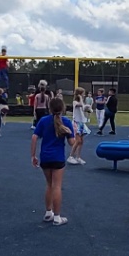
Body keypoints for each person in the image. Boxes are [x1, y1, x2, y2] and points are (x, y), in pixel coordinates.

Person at [32, 95, 82, 225]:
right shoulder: (66, 122)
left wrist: (33, 155)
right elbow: (72, 143)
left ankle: (49, 212)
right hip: (58, 158)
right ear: (63, 108)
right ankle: (57, 217)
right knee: (57, 186)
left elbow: (34, 137)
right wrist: (75, 133)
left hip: (45, 157)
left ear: (49, 108)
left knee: (49, 185)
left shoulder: (43, 120)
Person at [69, 93, 92, 166]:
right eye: (82, 94)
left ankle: (78, 157)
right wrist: (80, 98)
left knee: (81, 141)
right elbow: (81, 106)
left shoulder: (82, 103)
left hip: (81, 123)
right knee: (78, 140)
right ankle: (71, 156)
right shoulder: (75, 102)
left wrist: (88, 109)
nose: (84, 95)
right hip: (76, 123)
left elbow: (85, 108)